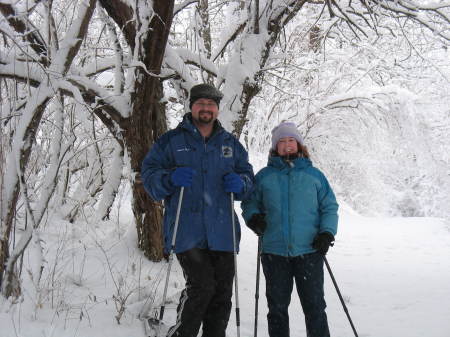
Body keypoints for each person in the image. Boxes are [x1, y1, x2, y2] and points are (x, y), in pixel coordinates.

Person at [141, 83, 254, 337]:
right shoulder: (170, 141)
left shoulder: (230, 144)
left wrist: (242, 183)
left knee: (222, 293)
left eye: (211, 104)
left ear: (217, 109)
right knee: (202, 286)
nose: (206, 108)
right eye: (201, 103)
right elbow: (149, 177)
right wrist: (169, 178)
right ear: (191, 106)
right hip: (186, 229)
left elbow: (248, 179)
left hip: (223, 231)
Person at [242, 122, 338, 337]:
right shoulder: (264, 176)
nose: (287, 145)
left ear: (299, 144)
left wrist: (327, 233)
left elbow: (329, 206)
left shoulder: (315, 176)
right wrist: (253, 218)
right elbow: (250, 203)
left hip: (310, 251)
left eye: (291, 140)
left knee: (315, 308)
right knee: (277, 309)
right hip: (274, 252)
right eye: (282, 141)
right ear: (275, 147)